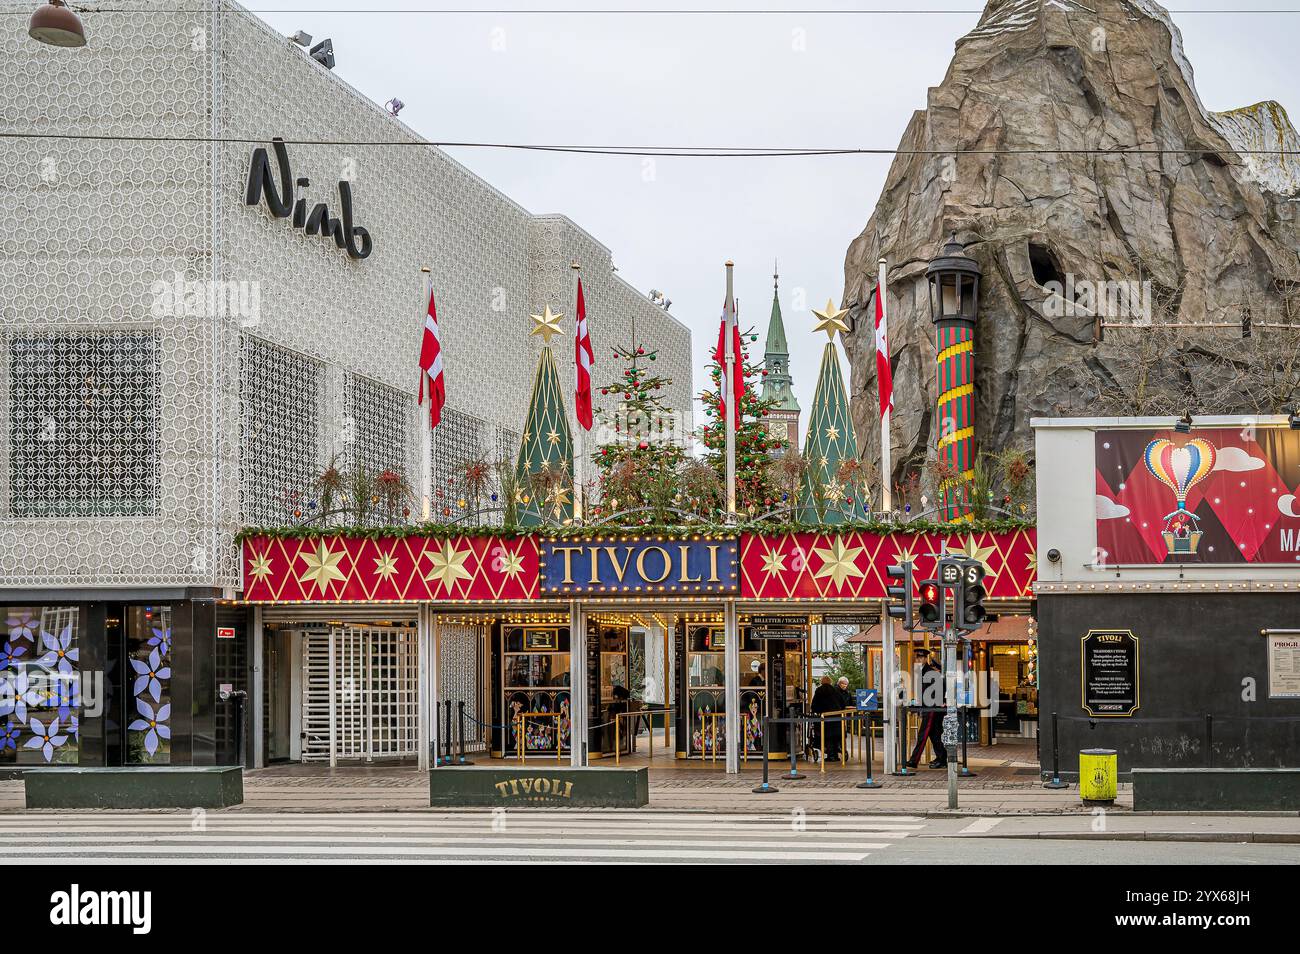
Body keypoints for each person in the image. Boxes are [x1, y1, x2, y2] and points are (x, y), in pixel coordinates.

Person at [907, 648, 947, 769]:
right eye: (917, 657)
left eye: (921, 657)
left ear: (925, 659)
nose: (918, 659)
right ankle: (942, 758)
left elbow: (940, 688)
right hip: (929, 708)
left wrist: (937, 702)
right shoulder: (923, 672)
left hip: (932, 709)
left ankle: (914, 761)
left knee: (923, 735)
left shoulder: (930, 672)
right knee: (934, 735)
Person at [810, 675, 843, 762]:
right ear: (830, 682)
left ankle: (831, 755)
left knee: (827, 736)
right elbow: (842, 703)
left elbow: (814, 705)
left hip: (825, 717)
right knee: (835, 736)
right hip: (837, 717)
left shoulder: (819, 690)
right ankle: (835, 755)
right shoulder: (836, 690)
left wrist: (816, 711)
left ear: (821, 682)